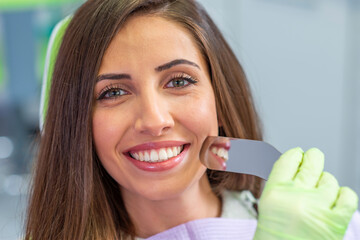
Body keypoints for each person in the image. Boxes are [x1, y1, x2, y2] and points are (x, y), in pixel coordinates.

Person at [26, 0, 359, 239]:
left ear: (220, 98)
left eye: (179, 81)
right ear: (76, 127)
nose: (154, 120)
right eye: (113, 92)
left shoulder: (326, 225)